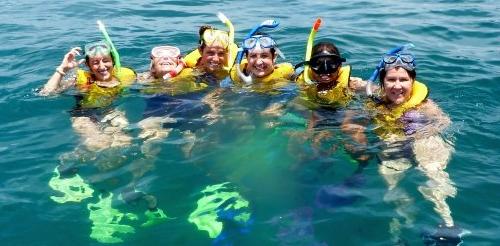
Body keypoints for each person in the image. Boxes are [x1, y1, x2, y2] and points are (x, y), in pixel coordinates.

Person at [364, 50, 462, 244]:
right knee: (392, 184)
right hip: (392, 143)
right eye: (391, 80)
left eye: (403, 80)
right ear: (382, 82)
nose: (397, 86)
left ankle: (448, 225)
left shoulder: (425, 105)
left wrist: (423, 133)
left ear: (413, 82)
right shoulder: (375, 103)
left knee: (434, 175)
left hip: (424, 140)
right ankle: (401, 226)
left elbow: (445, 123)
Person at [40, 40, 136, 151]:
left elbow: (150, 79)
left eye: (106, 61)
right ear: (88, 65)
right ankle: (69, 161)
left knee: (124, 142)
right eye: (95, 63)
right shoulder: (80, 79)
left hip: (110, 111)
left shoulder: (125, 75)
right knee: (99, 144)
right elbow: (47, 93)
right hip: (83, 115)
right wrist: (62, 69)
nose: (102, 66)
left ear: (113, 61)